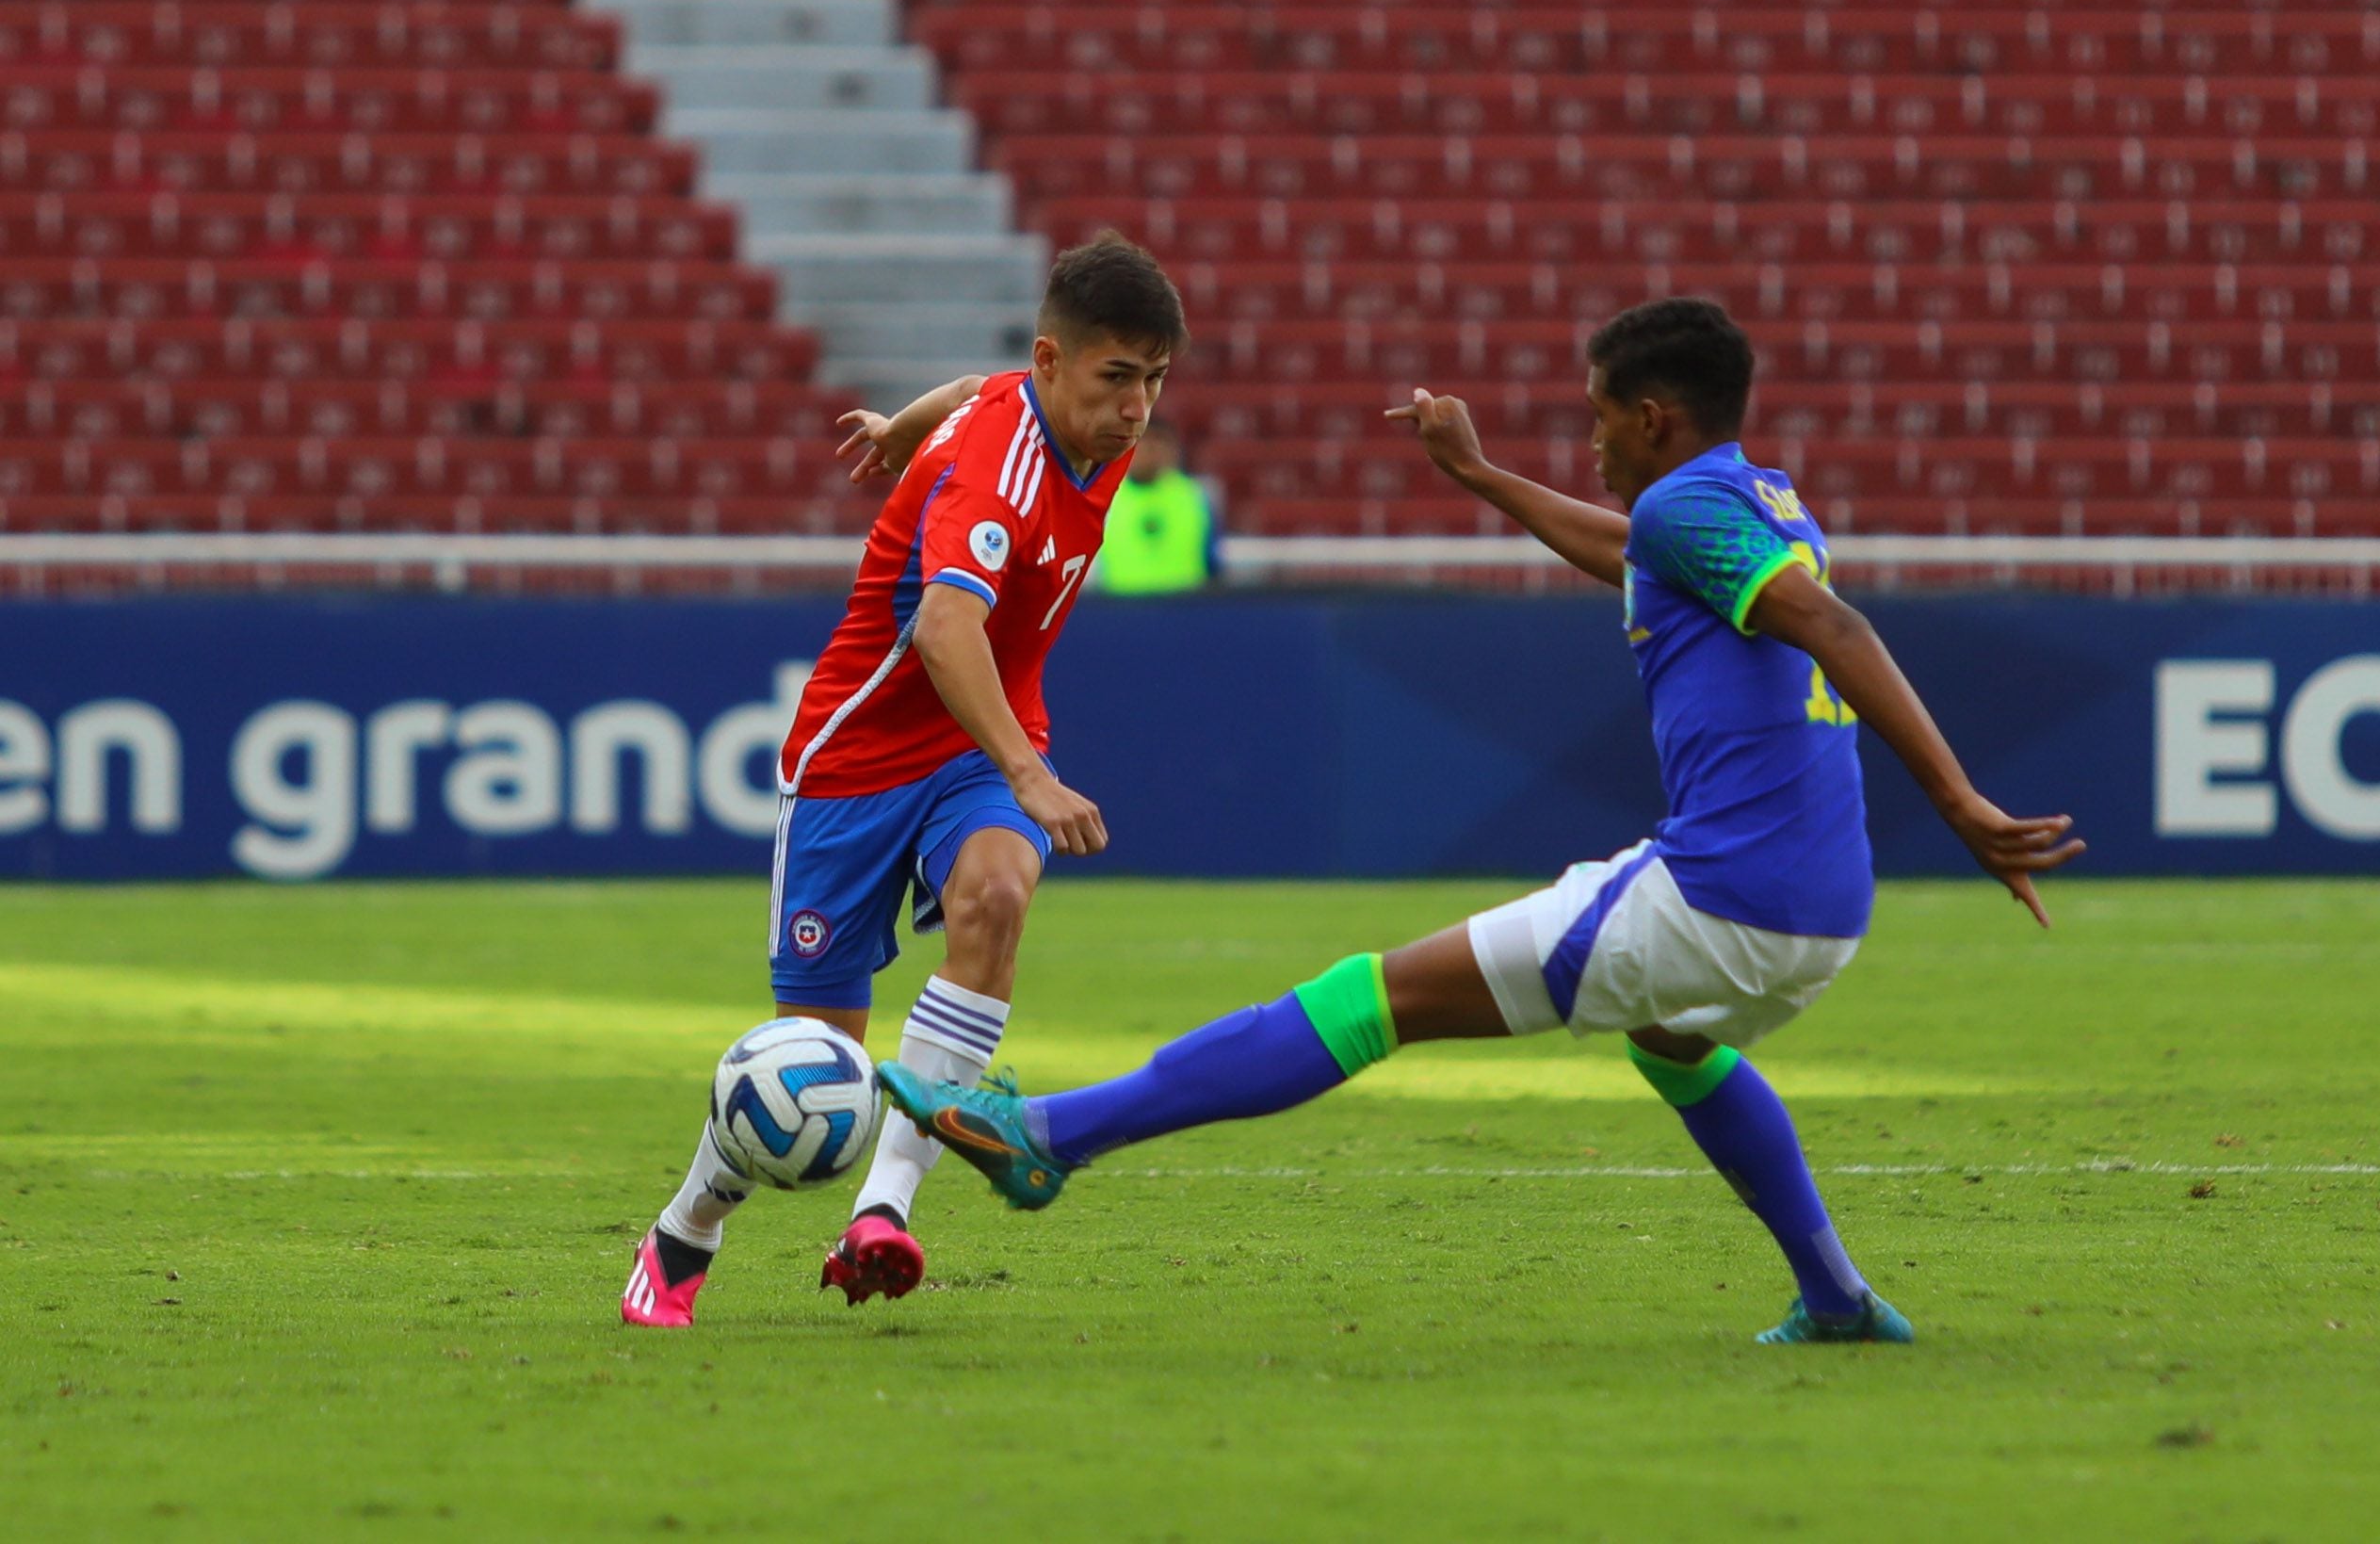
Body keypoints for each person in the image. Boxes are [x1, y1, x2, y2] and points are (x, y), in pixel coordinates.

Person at [877, 297, 2085, 1344]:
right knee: (1670, 1041)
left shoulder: (1689, 513)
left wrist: (1958, 800)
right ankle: (1834, 1295)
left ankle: (1050, 1135)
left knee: (1369, 997)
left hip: (1720, 895)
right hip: (1819, 913)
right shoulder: (1757, 500)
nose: (1594, 434)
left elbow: (1837, 629)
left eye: (1602, 412)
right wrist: (1479, 473)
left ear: (1654, 416)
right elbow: (1629, 547)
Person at [622, 233, 1188, 1327]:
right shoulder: (1003, 474)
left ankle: (881, 1211)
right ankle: (688, 1225)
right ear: (1057, 359)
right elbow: (942, 624)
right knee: (817, 1060)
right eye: (1118, 378)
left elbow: (982, 387)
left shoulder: (1080, 423)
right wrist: (1033, 775)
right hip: (855, 756)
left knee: (998, 892)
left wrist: (901, 430)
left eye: (1154, 380)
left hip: (979, 740)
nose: (1137, 408)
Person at [1093, 419, 1221, 593]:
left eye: (1158, 443)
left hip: (1186, 611)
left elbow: (1213, 564)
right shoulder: (1104, 498)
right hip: (1122, 611)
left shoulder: (1195, 497)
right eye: (1143, 443)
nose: (1150, 451)